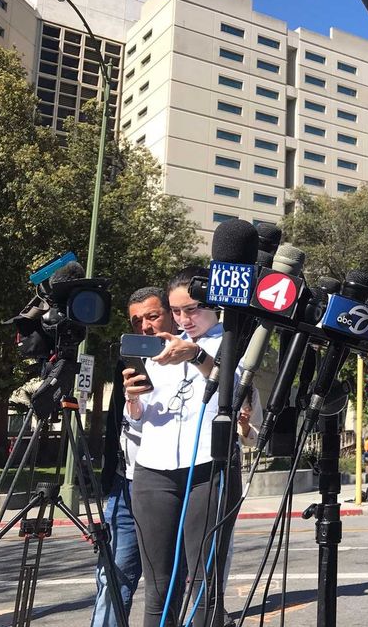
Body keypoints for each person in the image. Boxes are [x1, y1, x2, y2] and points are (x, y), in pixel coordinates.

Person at [124, 267, 243, 627]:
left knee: (205, 586)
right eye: (176, 312)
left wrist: (196, 356)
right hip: (153, 472)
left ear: (213, 304)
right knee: (159, 587)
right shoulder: (159, 350)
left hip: (209, 469)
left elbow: (234, 390)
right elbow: (142, 421)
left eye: (191, 309)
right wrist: (133, 402)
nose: (184, 319)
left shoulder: (229, 340)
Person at [91, 287, 176, 627]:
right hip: (126, 485)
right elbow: (118, 426)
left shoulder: (190, 361)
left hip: (169, 487)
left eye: (152, 316)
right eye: (137, 320)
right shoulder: (127, 362)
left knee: (166, 584)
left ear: (171, 315)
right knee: (112, 577)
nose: (145, 326)